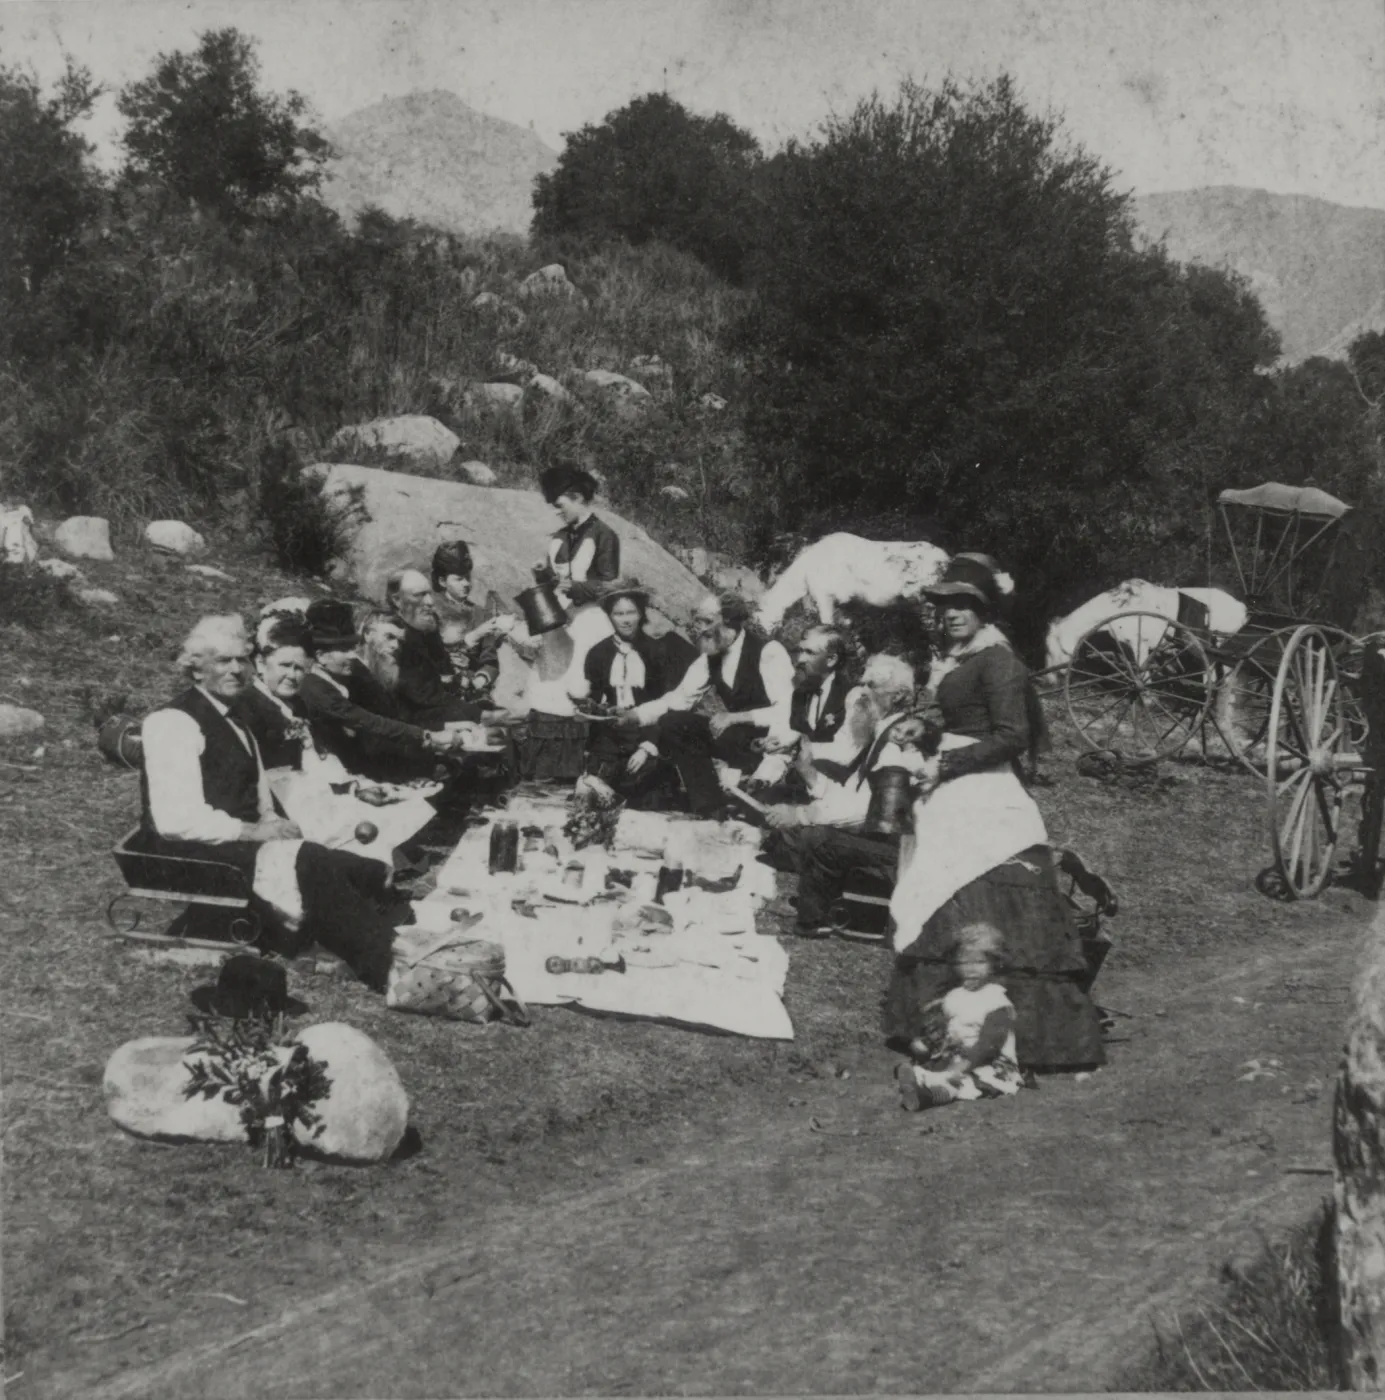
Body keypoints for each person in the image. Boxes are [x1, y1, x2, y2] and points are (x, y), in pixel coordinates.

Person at [884, 555, 1105, 1071]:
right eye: (945, 606)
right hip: (952, 790)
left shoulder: (999, 659)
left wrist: (948, 761)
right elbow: (963, 717)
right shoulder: (963, 659)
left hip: (984, 791)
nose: (953, 614)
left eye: (964, 605)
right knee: (943, 892)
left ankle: (1023, 1037)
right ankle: (944, 1028)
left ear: (984, 611)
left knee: (983, 888)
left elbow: (1011, 736)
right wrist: (925, 728)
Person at [138, 615, 397, 989]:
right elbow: (175, 820)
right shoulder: (173, 722)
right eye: (221, 660)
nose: (235, 669)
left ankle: (368, 935)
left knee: (363, 869)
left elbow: (255, 789)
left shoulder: (233, 716)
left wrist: (272, 821)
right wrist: (256, 831)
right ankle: (385, 965)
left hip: (232, 841)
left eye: (241, 660)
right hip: (190, 852)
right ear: (195, 668)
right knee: (311, 863)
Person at [759, 654, 923, 935]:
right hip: (877, 839)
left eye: (872, 687)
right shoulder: (880, 730)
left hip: (898, 851)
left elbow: (867, 812)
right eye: (862, 685)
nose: (862, 693)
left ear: (898, 696)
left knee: (816, 836)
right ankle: (825, 903)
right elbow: (853, 785)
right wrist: (806, 771)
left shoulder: (897, 742)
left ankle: (819, 918)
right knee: (796, 832)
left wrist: (803, 814)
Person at [626, 591, 795, 817]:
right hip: (736, 739)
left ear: (729, 621)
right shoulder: (710, 657)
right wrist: (634, 715)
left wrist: (736, 717)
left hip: (770, 743)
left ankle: (755, 788)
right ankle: (709, 805)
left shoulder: (768, 651)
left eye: (707, 621)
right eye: (699, 621)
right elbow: (678, 699)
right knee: (674, 721)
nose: (700, 629)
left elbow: (787, 711)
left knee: (756, 812)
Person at [568, 579, 696, 804]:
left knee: (649, 801)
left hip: (649, 734)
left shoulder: (657, 651)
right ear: (609, 616)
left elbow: (666, 703)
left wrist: (648, 747)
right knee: (595, 798)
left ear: (641, 614)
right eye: (618, 614)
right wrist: (584, 708)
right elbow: (596, 702)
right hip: (610, 736)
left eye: (631, 613)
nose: (626, 620)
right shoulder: (598, 653)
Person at [298, 601, 451, 783]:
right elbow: (367, 721)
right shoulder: (315, 687)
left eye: (352, 648)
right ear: (321, 656)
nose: (351, 656)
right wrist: (425, 736)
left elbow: (387, 716)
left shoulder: (334, 678)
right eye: (344, 650)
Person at [895, 922, 1023, 1110]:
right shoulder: (955, 995)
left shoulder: (996, 999)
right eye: (965, 962)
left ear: (994, 964)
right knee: (934, 1070)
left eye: (980, 962)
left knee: (959, 1082)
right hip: (957, 1056)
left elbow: (989, 1043)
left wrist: (963, 1065)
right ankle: (914, 1079)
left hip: (988, 1062)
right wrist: (928, 1042)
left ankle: (927, 1098)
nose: (971, 969)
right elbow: (945, 1026)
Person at [747, 625, 859, 791]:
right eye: (800, 651)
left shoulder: (852, 697)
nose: (800, 659)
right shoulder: (800, 694)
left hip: (836, 790)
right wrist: (762, 777)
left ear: (831, 660)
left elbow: (846, 753)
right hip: (800, 784)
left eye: (810, 653)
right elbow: (787, 751)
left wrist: (799, 743)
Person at [234, 617, 344, 778]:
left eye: (299, 668)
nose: (292, 675)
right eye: (285, 665)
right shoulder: (246, 707)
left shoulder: (299, 704)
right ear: (261, 664)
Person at [386, 568, 489, 725]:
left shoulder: (427, 626)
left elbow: (445, 671)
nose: (429, 602)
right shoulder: (391, 639)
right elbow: (425, 700)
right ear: (397, 600)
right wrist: (480, 715)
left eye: (428, 594)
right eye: (418, 595)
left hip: (443, 712)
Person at [430, 540, 503, 703]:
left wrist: (479, 680)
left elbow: (491, 663)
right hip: (437, 691)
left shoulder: (481, 614)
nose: (466, 584)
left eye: (468, 578)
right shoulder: (431, 611)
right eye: (459, 579)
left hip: (472, 692)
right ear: (442, 581)